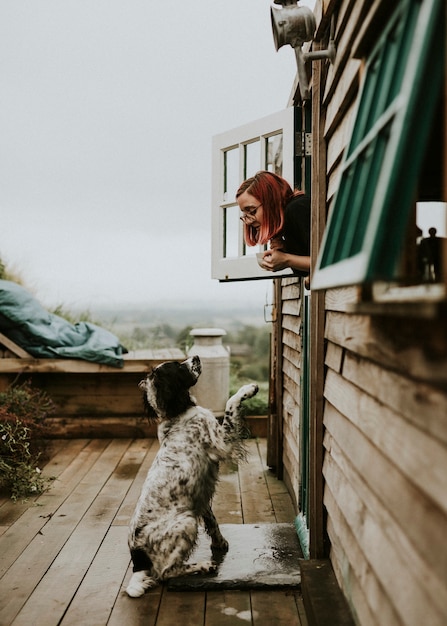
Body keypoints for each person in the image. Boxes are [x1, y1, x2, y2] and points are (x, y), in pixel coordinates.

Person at [236, 170, 311, 278]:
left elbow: (326, 262)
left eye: (252, 211)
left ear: (271, 202)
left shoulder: (297, 209)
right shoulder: (288, 219)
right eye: (245, 215)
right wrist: (286, 249)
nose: (249, 221)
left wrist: (286, 259)